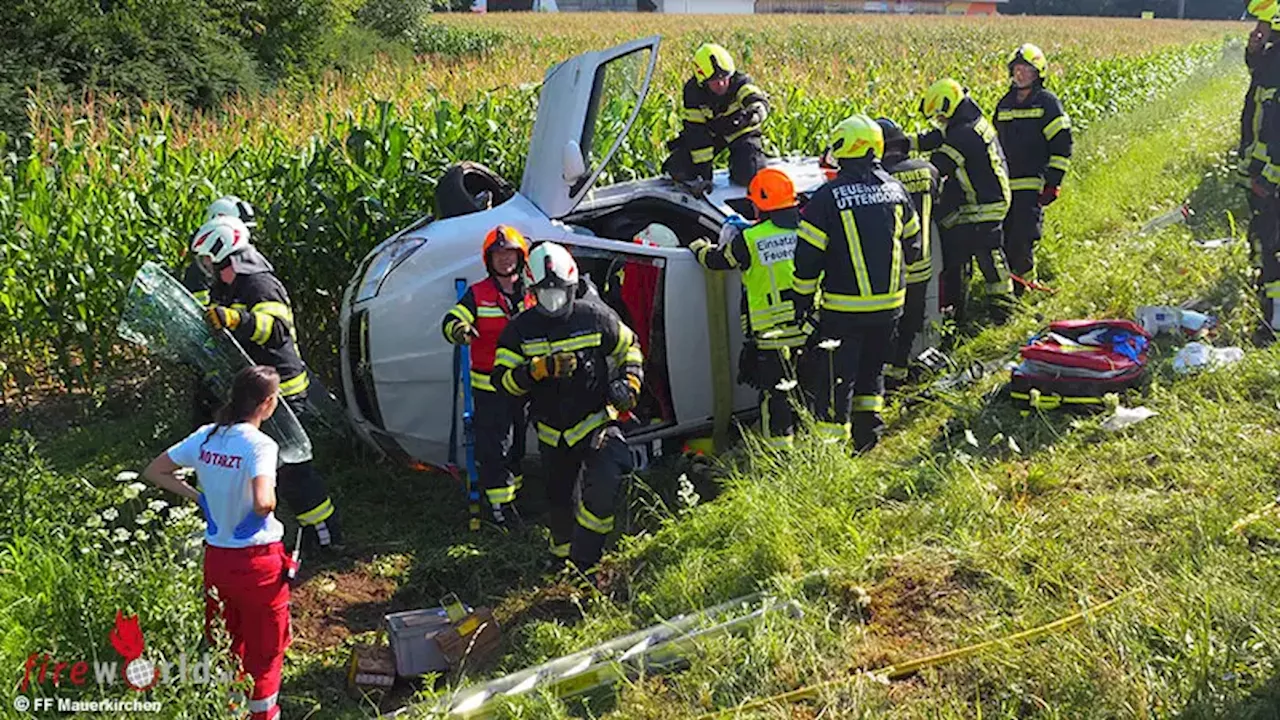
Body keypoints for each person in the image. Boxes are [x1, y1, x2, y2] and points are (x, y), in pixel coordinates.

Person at [141, 365, 291, 720]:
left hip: (218, 560)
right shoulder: (260, 445)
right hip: (258, 562)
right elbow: (264, 501)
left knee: (228, 640)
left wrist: (199, 497)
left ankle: (230, 708)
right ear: (268, 404)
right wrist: (257, 516)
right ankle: (263, 714)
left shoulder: (206, 437)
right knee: (266, 647)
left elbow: (154, 470)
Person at [192, 215, 342, 552]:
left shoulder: (260, 284)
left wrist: (236, 319)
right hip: (252, 396)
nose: (207, 268)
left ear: (227, 257)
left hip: (282, 395)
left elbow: (276, 330)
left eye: (209, 261)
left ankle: (327, 536)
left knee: (292, 472)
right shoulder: (224, 288)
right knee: (259, 470)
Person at [491, 242, 644, 571]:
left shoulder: (595, 316)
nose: (553, 301)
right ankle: (561, 560)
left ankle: (585, 561)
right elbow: (502, 381)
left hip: (596, 422)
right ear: (532, 290)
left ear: (572, 285)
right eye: (545, 295)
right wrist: (536, 370)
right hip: (552, 432)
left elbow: (629, 346)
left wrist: (630, 382)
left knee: (603, 487)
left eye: (559, 293)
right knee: (560, 502)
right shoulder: (520, 331)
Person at [794, 115, 921, 453]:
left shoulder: (827, 197)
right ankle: (869, 440)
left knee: (837, 381)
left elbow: (807, 261)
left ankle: (830, 451)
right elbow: (915, 246)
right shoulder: (897, 190)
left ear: (846, 147)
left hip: (844, 310)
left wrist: (801, 302)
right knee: (871, 375)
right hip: (890, 308)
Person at [689, 168, 809, 449]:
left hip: (771, 332)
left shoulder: (750, 239)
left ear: (760, 204)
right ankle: (808, 446)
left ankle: (779, 455)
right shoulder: (807, 230)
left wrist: (697, 247)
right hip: (807, 326)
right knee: (807, 389)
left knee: (775, 395)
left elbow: (718, 260)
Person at [440, 225, 535, 525]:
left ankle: (513, 499)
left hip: (526, 385)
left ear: (520, 257)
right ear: (489, 260)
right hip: (491, 389)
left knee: (518, 445)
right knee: (495, 450)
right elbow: (452, 320)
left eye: (510, 253)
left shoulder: (533, 293)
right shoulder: (477, 294)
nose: (504, 259)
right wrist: (459, 329)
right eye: (498, 254)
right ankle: (499, 511)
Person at [912, 78, 1014, 325]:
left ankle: (1003, 310)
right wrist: (901, 143)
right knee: (956, 242)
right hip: (978, 197)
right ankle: (961, 307)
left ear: (948, 107)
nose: (939, 121)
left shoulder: (964, 133)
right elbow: (935, 138)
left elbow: (938, 166)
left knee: (987, 255)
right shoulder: (964, 120)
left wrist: (909, 172)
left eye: (939, 116)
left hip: (986, 203)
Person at [994, 44, 1074, 295]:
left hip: (1032, 185)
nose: (1020, 75)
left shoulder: (1047, 103)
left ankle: (1025, 292)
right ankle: (1010, 289)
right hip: (1005, 186)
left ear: (1038, 73)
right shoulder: (1004, 104)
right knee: (1004, 240)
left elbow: (1062, 145)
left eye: (1026, 70)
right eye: (1017, 70)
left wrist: (1053, 182)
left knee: (1023, 240)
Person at [876, 118, 939, 389]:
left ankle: (886, 380)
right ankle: (900, 372)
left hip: (892, 269)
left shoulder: (880, 179)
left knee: (888, 326)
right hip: (922, 262)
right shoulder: (928, 170)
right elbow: (937, 201)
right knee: (911, 322)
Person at [663, 43, 769, 189]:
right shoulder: (693, 92)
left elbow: (757, 101)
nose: (721, 84)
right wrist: (705, 176)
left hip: (740, 131)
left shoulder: (740, 81)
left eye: (724, 78)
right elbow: (696, 133)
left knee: (750, 174)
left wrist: (753, 116)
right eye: (714, 81)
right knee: (678, 168)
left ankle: (740, 165)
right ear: (702, 82)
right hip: (711, 135)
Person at [1249, 12, 1280, 338]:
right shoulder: (1272, 58)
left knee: (1274, 250)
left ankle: (1273, 326)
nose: (1258, 30)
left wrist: (1269, 178)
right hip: (1267, 175)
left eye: (1265, 24)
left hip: (1273, 182)